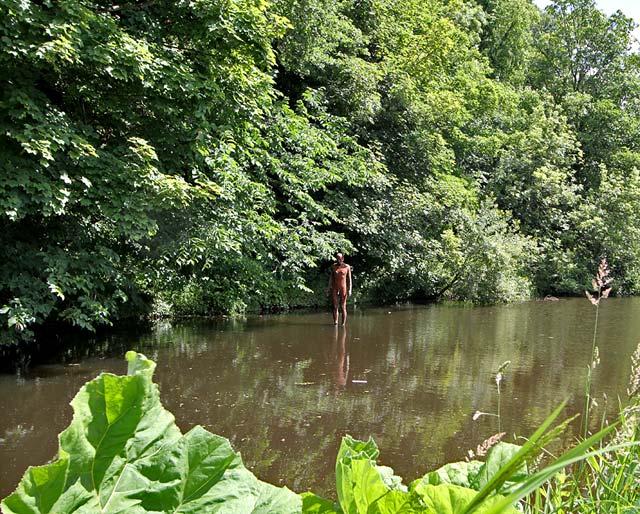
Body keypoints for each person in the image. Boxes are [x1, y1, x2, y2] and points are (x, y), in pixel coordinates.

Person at [326, 252, 352, 326]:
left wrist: (350, 289)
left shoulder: (347, 267)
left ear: (343, 259)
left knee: (343, 306)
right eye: (337, 258)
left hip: (343, 288)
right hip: (334, 288)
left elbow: (349, 279)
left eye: (340, 258)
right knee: (335, 306)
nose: (339, 260)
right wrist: (328, 288)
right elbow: (331, 278)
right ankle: (335, 322)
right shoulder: (333, 266)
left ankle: (343, 324)